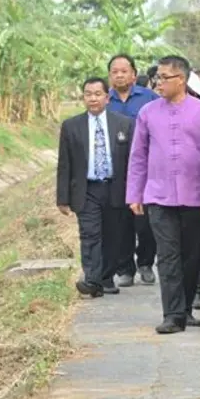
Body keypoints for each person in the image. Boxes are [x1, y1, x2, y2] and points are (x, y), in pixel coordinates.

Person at [126, 55, 200, 334]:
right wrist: (135, 194)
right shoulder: (148, 113)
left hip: (195, 197)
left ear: (180, 79)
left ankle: (187, 307)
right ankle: (172, 314)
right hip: (158, 195)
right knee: (167, 255)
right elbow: (138, 157)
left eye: (164, 77)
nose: (158, 82)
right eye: (157, 77)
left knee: (192, 257)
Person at [56, 77, 134, 297]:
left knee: (113, 236)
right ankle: (91, 279)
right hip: (86, 189)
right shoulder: (71, 126)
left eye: (97, 94)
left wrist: (136, 192)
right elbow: (65, 164)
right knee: (89, 235)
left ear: (107, 98)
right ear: (83, 97)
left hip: (115, 187)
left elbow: (132, 161)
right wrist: (62, 198)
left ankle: (105, 278)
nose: (93, 98)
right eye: (88, 94)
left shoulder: (124, 124)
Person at [107, 54, 159, 288]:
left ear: (133, 74)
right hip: (115, 170)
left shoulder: (150, 98)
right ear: (110, 76)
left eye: (124, 71)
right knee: (120, 222)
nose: (119, 75)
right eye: (114, 71)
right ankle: (125, 267)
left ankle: (146, 263)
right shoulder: (105, 100)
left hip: (146, 169)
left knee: (145, 221)